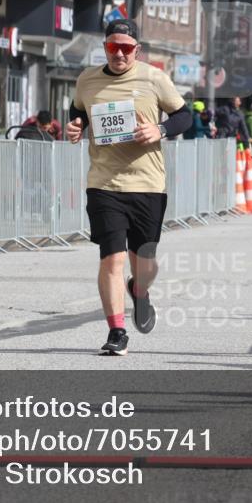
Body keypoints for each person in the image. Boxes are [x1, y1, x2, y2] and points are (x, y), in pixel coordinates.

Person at [66, 19, 192, 356]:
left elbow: (185, 116)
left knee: (145, 264)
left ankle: (139, 289)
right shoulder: (87, 79)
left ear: (137, 50)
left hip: (147, 183)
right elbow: (78, 111)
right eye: (113, 47)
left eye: (126, 48)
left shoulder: (154, 78)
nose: (119, 54)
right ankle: (117, 331)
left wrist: (160, 130)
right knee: (112, 259)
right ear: (104, 47)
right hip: (104, 183)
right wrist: (76, 126)